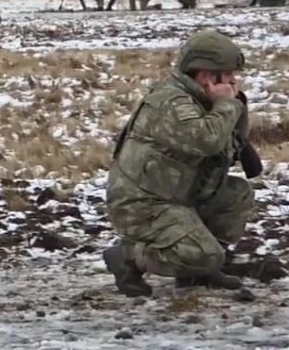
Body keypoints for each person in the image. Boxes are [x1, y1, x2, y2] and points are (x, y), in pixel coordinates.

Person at [102, 28, 257, 296]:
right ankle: (128, 257)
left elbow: (227, 149)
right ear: (207, 75)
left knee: (236, 195)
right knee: (203, 253)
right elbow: (206, 140)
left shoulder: (201, 99)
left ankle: (196, 274)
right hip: (142, 203)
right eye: (228, 74)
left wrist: (235, 110)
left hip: (177, 193)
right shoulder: (171, 100)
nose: (233, 80)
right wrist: (227, 106)